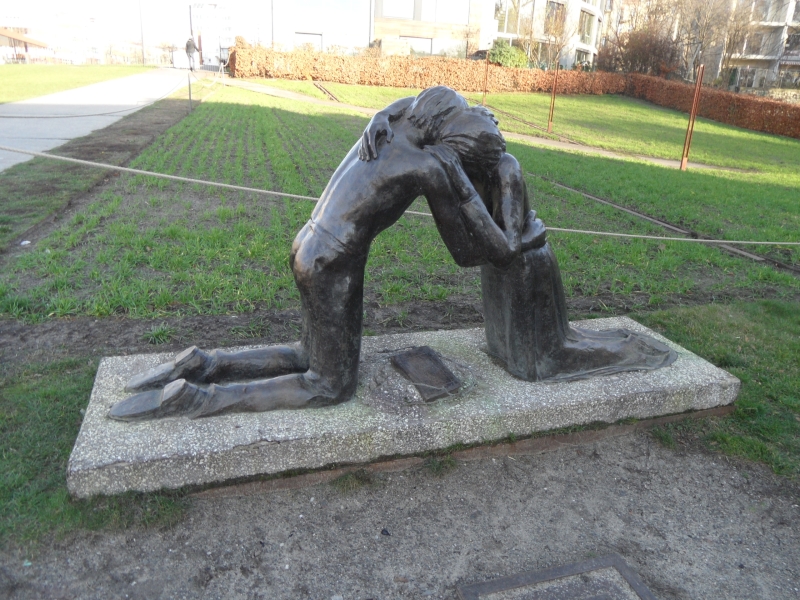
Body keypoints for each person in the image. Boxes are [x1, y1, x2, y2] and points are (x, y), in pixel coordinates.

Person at [109, 87, 512, 420]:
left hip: (308, 242)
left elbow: (401, 104)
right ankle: (200, 399)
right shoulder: (430, 166)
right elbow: (465, 254)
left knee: (308, 354)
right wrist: (471, 192)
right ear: (449, 144)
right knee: (329, 386)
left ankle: (205, 363)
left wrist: (380, 115)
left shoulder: (396, 121)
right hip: (334, 262)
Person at [360, 93, 676, 381]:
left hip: (526, 267)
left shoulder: (504, 168)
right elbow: (468, 254)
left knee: (538, 363)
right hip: (497, 263)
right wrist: (380, 117)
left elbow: (508, 249)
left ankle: (629, 349)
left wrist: (464, 187)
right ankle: (619, 345)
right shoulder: (449, 159)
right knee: (502, 350)